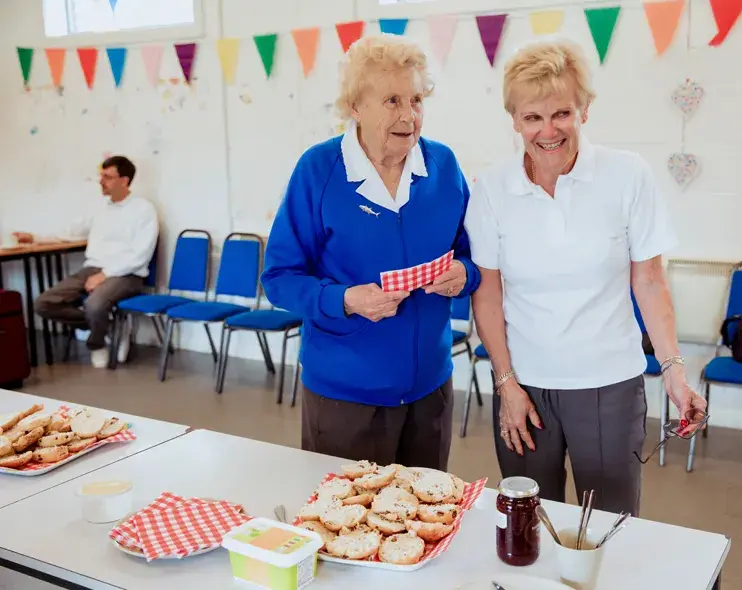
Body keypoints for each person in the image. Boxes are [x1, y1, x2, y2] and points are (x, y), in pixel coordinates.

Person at [464, 39, 707, 516]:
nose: (548, 130)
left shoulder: (627, 175)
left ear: (584, 111)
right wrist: (507, 384)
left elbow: (650, 282)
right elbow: (488, 296)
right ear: (514, 120)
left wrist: (674, 370)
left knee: (610, 524)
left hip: (609, 385)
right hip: (525, 386)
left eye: (562, 113)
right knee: (529, 524)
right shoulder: (492, 187)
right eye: (532, 117)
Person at [261, 35, 481, 471]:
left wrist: (464, 273)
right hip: (346, 396)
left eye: (417, 99)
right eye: (392, 100)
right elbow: (280, 278)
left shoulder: (443, 166)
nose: (408, 115)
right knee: (347, 527)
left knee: (423, 525)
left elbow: (472, 255)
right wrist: (344, 300)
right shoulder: (319, 170)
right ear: (356, 107)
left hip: (430, 390)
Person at [14, 156, 158, 369]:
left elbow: (140, 255)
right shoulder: (99, 207)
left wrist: (105, 274)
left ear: (124, 181)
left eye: (108, 177)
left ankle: (96, 344)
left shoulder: (143, 210)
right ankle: (109, 327)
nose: (101, 181)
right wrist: (35, 237)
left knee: (94, 304)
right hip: (92, 268)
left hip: (127, 274)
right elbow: (70, 233)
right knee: (43, 303)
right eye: (101, 176)